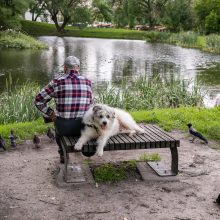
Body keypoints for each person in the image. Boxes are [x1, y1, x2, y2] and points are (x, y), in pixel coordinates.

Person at [35, 56, 93, 163]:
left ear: (65, 68)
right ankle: (86, 149)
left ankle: (62, 152)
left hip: (64, 128)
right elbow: (90, 104)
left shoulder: (57, 82)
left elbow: (38, 100)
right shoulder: (88, 82)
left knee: (57, 122)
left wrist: (50, 112)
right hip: (84, 127)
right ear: (78, 67)